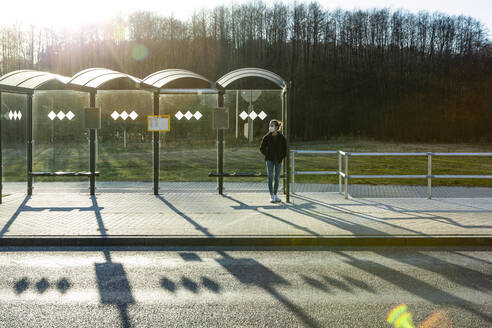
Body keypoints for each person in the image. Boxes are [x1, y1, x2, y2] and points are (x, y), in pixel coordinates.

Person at [260, 119, 287, 203]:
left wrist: (282, 156)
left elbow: (285, 149)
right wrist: (267, 154)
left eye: (272, 125)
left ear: (277, 127)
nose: (270, 127)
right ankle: (271, 195)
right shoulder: (266, 137)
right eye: (270, 125)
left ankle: (275, 195)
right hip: (269, 160)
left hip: (278, 160)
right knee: (270, 177)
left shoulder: (282, 137)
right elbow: (261, 148)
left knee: (277, 178)